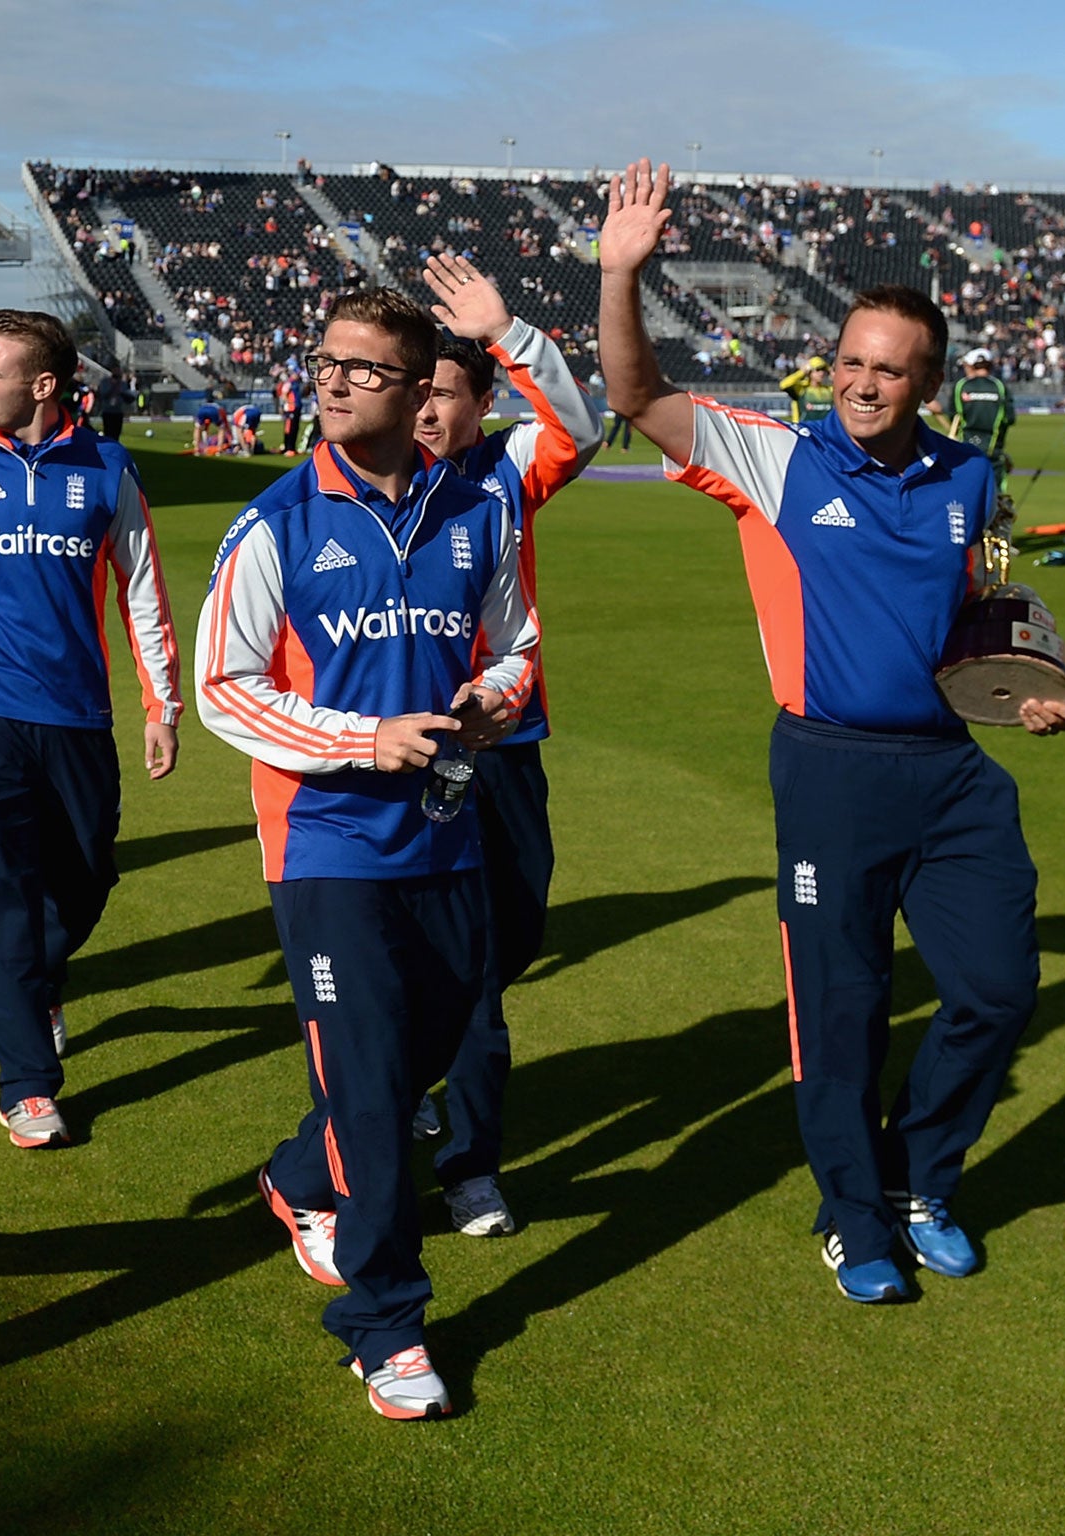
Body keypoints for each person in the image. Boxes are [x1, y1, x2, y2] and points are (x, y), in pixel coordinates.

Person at [596, 159, 1065, 1303]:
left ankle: (920, 1179)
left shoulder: (967, 479)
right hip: (828, 772)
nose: (862, 383)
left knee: (998, 991)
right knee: (843, 1010)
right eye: (851, 362)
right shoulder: (774, 458)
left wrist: (1024, 689)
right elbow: (633, 395)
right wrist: (619, 274)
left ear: (926, 382)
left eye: (887, 369)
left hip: (951, 777)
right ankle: (854, 1215)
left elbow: (973, 614)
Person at [197, 287, 537, 1420]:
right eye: (325, 362)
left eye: (363, 369)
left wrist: (489, 701)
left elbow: (514, 645)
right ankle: (384, 1323)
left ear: (419, 394)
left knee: (422, 1055)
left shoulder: (477, 515)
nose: (333, 381)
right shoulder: (274, 524)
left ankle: (296, 1180)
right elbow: (223, 689)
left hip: (444, 841)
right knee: (377, 1097)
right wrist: (361, 741)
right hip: (327, 848)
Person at [0, 309, 181, 1149]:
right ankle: (27, 1085)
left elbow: (143, 594)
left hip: (79, 720)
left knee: (88, 879)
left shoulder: (107, 469)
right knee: (2, 900)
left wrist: (161, 707)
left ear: (41, 385)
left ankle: (38, 979)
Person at [408, 253, 603, 1236]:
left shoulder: (503, 473)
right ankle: (466, 1165)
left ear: (482, 401)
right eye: (418, 393)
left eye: (445, 394)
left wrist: (506, 331)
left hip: (508, 742)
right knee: (475, 972)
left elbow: (581, 425)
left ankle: (410, 1062)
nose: (427, 412)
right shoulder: (375, 480)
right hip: (415, 753)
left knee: (518, 926)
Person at [942, 348, 1015, 493]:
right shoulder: (1000, 387)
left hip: (965, 451)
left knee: (967, 493)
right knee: (997, 497)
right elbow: (1009, 418)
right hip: (994, 450)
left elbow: (954, 416)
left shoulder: (961, 386)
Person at [779, 355, 832, 424]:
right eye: (818, 370)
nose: (821, 373)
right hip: (804, 430)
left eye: (823, 370)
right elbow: (783, 385)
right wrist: (801, 372)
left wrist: (832, 372)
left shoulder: (829, 390)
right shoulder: (801, 389)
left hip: (824, 431)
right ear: (809, 371)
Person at [275, 368, 304, 454]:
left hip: (296, 408)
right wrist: (289, 403)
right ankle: (288, 448)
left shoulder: (296, 383)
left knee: (295, 428)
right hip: (291, 409)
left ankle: (292, 447)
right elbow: (283, 394)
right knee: (290, 428)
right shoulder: (289, 383)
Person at [95, 370, 128, 442]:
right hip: (108, 411)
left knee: (116, 433)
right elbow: (103, 395)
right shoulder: (105, 382)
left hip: (118, 411)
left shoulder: (123, 384)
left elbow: (125, 395)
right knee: (108, 433)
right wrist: (113, 387)